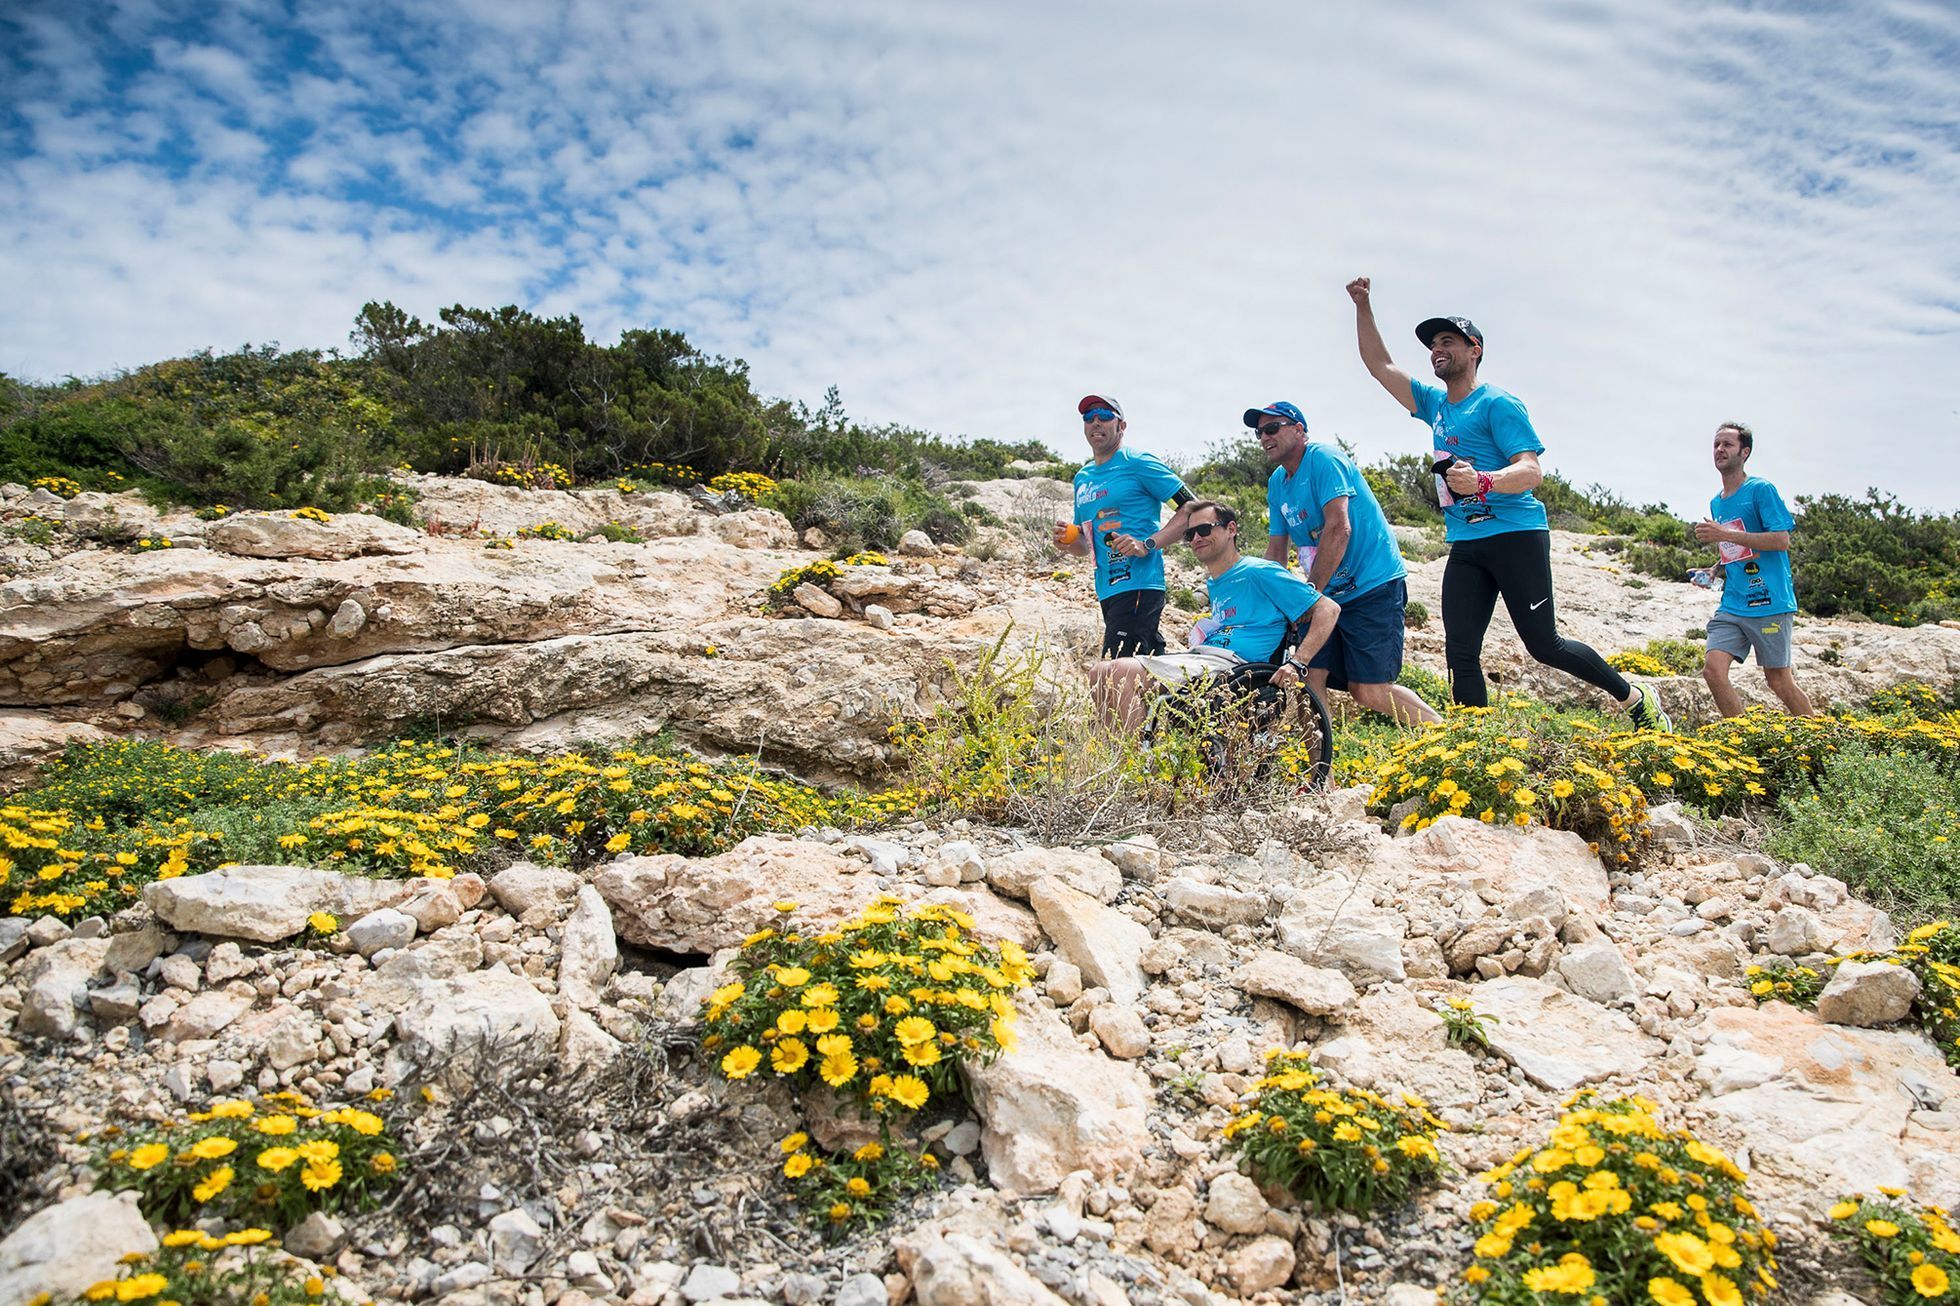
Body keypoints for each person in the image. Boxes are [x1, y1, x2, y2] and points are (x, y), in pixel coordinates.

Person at [1345, 275, 1670, 729]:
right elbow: (1379, 364)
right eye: (1432, 344)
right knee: (1459, 650)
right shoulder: (1434, 405)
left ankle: (1635, 698)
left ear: (1474, 349)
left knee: (1544, 645)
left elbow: (1531, 470)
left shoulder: (1498, 404)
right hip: (1467, 544)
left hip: (1517, 536)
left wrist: (1481, 481)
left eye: (1448, 341)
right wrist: (1362, 305)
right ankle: (1476, 746)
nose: (1437, 349)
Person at [1250, 400, 1440, 727]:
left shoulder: (1324, 459)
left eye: (1271, 428)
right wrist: (1268, 598)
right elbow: (1277, 550)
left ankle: (1448, 736)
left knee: (1368, 691)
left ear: (1299, 430)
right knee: (1308, 680)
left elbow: (1339, 527)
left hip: (1371, 584)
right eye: (1258, 432)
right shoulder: (1276, 483)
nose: (1264, 436)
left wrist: (1310, 593)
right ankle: (1322, 777)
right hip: (1325, 594)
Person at [1092, 500, 1339, 731]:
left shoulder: (1258, 571)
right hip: (1206, 658)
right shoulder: (1216, 583)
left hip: (1236, 666)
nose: (1197, 538)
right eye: (1190, 534)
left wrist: (1297, 663)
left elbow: (1328, 609)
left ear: (1231, 529)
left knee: (1121, 672)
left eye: (1205, 529)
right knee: (1099, 674)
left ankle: (1139, 770)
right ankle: (1124, 760)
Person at [1053, 395, 1195, 666]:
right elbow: (1084, 544)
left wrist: (1147, 544)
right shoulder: (1082, 479)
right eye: (1088, 417)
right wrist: (1067, 541)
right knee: (1141, 669)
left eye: (1105, 415)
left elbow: (1191, 507)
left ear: (1122, 425)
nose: (1096, 422)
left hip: (1140, 582)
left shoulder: (1138, 462)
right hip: (1107, 589)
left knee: (1116, 669)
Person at [1695, 422, 1815, 717]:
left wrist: (1724, 534)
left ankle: (1822, 746)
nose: (1720, 450)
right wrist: (1714, 569)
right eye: (1716, 445)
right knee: (1713, 671)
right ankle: (1742, 742)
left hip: (1769, 602)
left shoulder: (1761, 490)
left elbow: (1780, 540)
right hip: (1733, 603)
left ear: (1744, 452)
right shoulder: (1717, 501)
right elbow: (1736, 547)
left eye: (1727, 444)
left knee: (1778, 681)